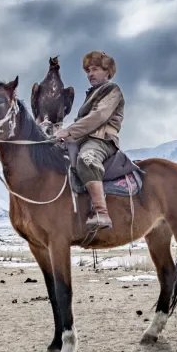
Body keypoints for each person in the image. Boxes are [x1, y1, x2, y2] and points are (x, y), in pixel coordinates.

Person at [54, 50, 124, 230]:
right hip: (83, 139)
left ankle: (102, 213)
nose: (90, 74)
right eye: (88, 71)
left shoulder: (112, 90)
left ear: (107, 71)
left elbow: (99, 116)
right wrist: (65, 137)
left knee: (87, 159)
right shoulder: (91, 94)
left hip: (102, 140)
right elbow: (82, 122)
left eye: (95, 69)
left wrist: (69, 131)